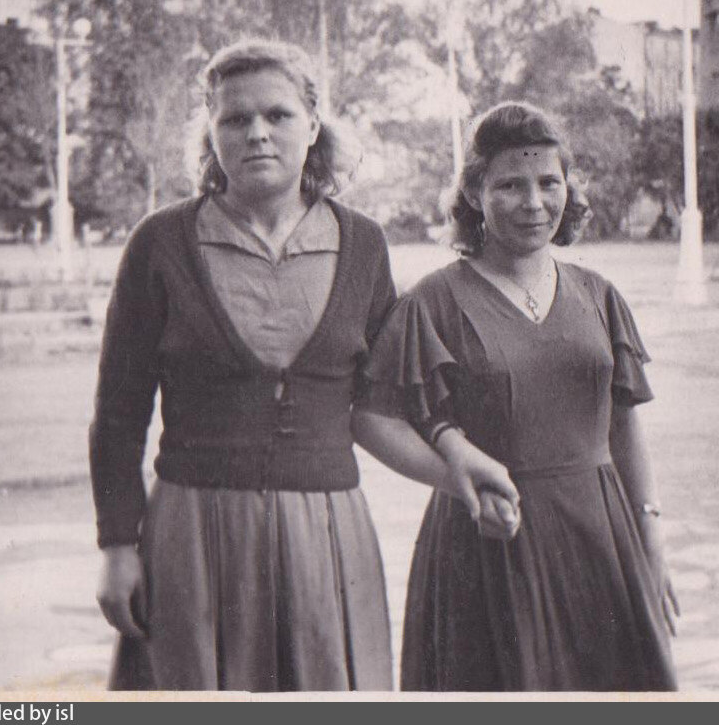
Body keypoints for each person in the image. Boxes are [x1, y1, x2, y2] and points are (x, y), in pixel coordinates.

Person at [89, 40, 516, 692]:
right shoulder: (160, 243)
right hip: (193, 535)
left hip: (327, 540)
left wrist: (456, 462)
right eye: (235, 118)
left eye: (278, 115)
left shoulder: (362, 244)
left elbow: (383, 405)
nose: (257, 133)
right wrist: (118, 547)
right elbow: (118, 415)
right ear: (211, 132)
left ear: (313, 126)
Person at [368, 102, 680, 691]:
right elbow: (374, 418)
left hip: (600, 542)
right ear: (474, 193)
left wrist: (651, 541)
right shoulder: (432, 302)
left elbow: (624, 428)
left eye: (548, 182)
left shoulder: (599, 295)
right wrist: (454, 477)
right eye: (510, 185)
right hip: (487, 547)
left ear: (568, 188)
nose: (534, 202)